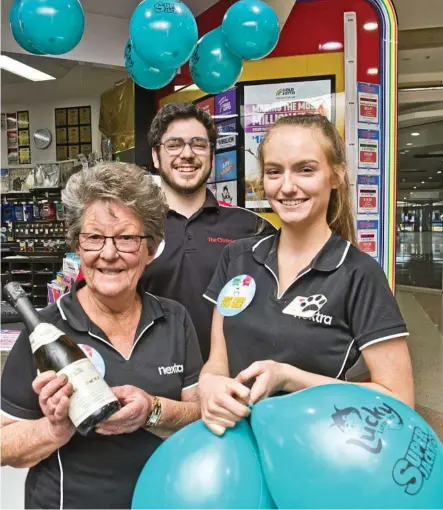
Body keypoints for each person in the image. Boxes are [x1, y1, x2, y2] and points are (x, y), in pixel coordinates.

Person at [1, 162, 203, 509]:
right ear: (77, 246)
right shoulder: (46, 331)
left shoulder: (174, 319)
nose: (109, 254)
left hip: (166, 500)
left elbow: (200, 415)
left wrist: (153, 410)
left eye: (126, 237)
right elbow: (4, 445)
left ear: (151, 248)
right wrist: (54, 430)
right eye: (94, 237)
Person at [198, 114, 414, 436]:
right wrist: (210, 384)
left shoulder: (358, 274)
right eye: (274, 172)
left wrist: (290, 377)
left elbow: (399, 400)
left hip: (317, 451)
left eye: (305, 169)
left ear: (337, 175)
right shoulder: (237, 257)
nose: (287, 187)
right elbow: (218, 361)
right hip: (237, 446)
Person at [141, 102, 276, 361]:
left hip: (231, 384)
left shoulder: (252, 228)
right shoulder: (131, 228)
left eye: (199, 144)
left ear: (212, 157)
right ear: (156, 157)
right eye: (174, 144)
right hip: (152, 385)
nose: (187, 154)